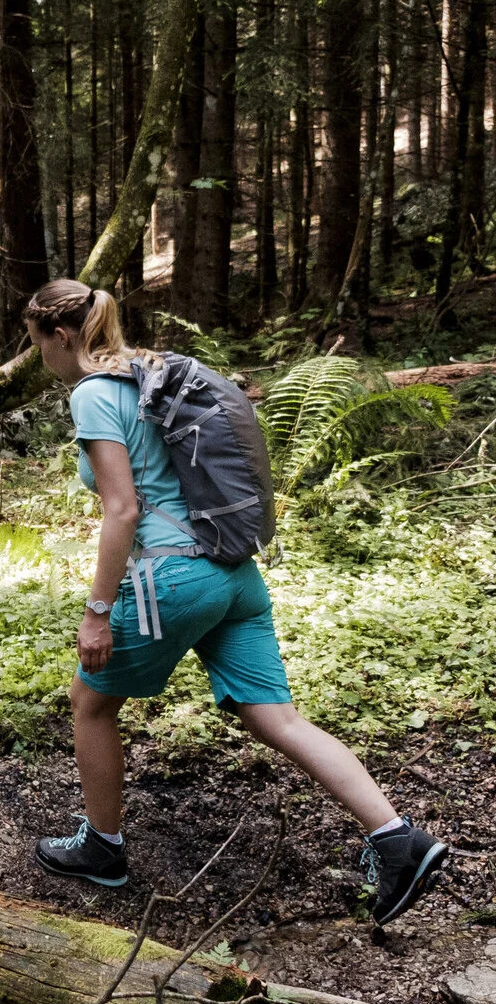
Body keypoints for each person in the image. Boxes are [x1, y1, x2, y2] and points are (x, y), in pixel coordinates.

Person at [23, 278, 447, 927]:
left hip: (171, 579)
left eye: (38, 345)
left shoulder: (93, 393)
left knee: (90, 702)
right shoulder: (149, 373)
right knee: (278, 718)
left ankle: (102, 848)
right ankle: (397, 839)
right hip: (232, 571)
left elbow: (123, 509)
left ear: (59, 336)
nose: (41, 358)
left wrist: (97, 611)